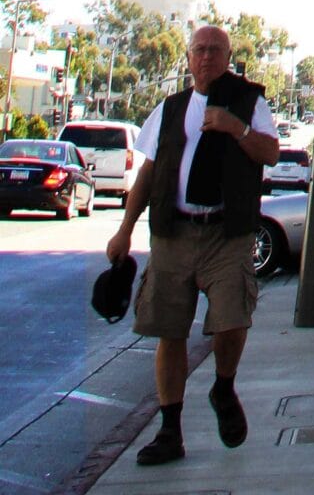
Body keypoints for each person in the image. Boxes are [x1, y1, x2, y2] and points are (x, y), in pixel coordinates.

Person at [106, 24, 281, 468]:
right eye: (199, 50)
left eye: (215, 50)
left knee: (231, 321)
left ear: (228, 57)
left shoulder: (249, 102)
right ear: (188, 58)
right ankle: (170, 430)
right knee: (169, 330)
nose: (206, 57)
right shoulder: (170, 109)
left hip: (227, 233)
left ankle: (223, 386)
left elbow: (270, 153)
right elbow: (147, 172)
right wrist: (125, 230)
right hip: (174, 231)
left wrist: (235, 127)